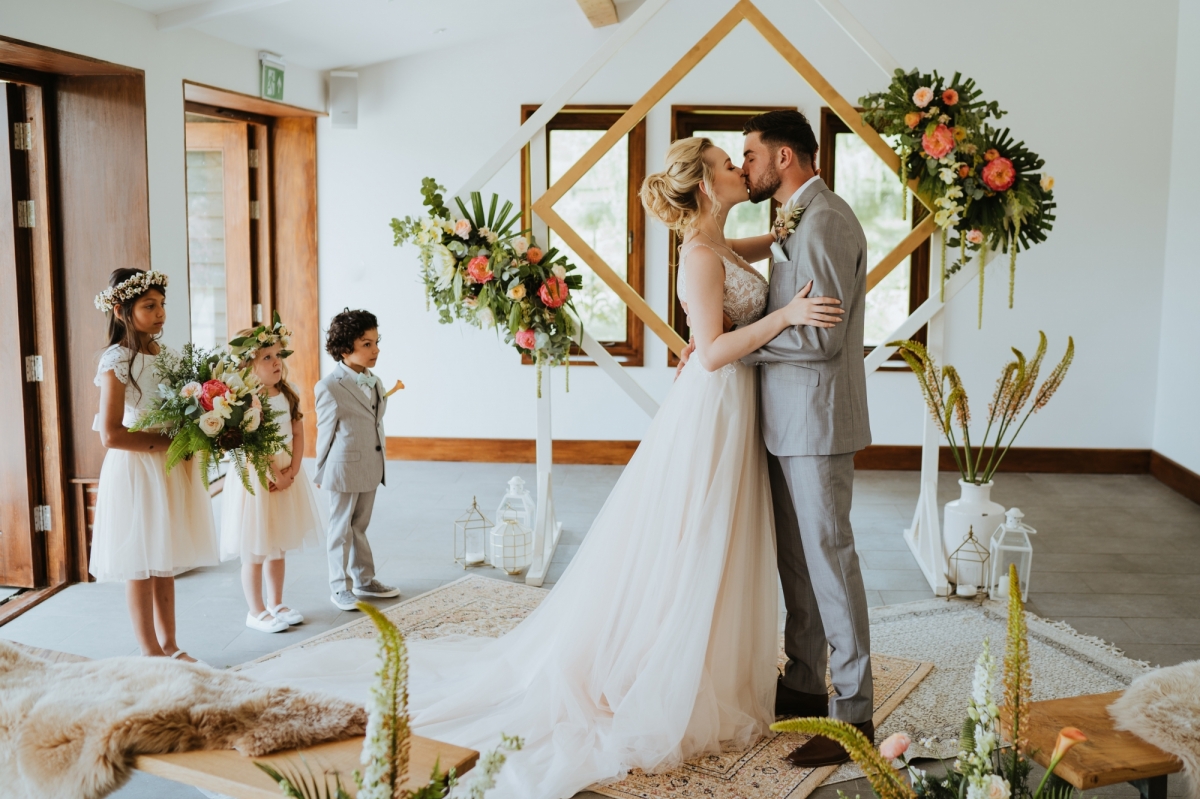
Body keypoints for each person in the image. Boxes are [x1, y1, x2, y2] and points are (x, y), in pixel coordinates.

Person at [242, 138, 844, 799]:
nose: (740, 169)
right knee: (696, 539)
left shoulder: (718, 243)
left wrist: (777, 235)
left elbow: (736, 264)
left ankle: (709, 662)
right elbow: (709, 352)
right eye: (729, 164)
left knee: (719, 540)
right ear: (704, 184)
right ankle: (663, 670)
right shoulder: (700, 255)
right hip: (715, 408)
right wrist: (786, 315)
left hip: (733, 407)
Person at [683, 109, 875, 767]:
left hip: (817, 420)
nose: (745, 166)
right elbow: (775, 308)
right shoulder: (793, 218)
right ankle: (803, 680)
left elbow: (820, 340)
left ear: (784, 157)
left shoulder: (825, 221)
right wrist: (718, 339)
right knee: (798, 562)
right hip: (782, 420)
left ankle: (854, 714)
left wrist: (732, 349)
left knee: (831, 562)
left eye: (751, 155)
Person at [91, 267, 218, 664]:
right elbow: (111, 434)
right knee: (141, 562)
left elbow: (186, 409)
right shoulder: (117, 360)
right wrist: (169, 444)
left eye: (162, 304)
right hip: (137, 469)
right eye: (149, 306)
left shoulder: (170, 356)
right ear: (121, 311)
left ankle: (171, 645)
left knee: (163, 559)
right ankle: (150, 652)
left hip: (168, 467)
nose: (160, 313)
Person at [220, 317, 322, 633]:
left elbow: (298, 431)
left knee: (278, 545)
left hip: (287, 473)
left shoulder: (288, 393)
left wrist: (293, 470)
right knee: (256, 548)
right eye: (267, 357)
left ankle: (276, 602)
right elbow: (251, 445)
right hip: (258, 477)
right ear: (248, 365)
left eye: (278, 355)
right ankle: (256, 611)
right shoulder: (246, 401)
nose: (276, 362)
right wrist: (274, 473)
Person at [313, 308, 400, 611]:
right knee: (340, 529)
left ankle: (364, 579)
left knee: (359, 526)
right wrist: (321, 471)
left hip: (370, 465)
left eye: (376, 342)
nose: (376, 350)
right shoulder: (329, 387)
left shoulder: (374, 381)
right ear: (345, 349)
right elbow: (325, 432)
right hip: (342, 469)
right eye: (367, 344)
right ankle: (340, 587)